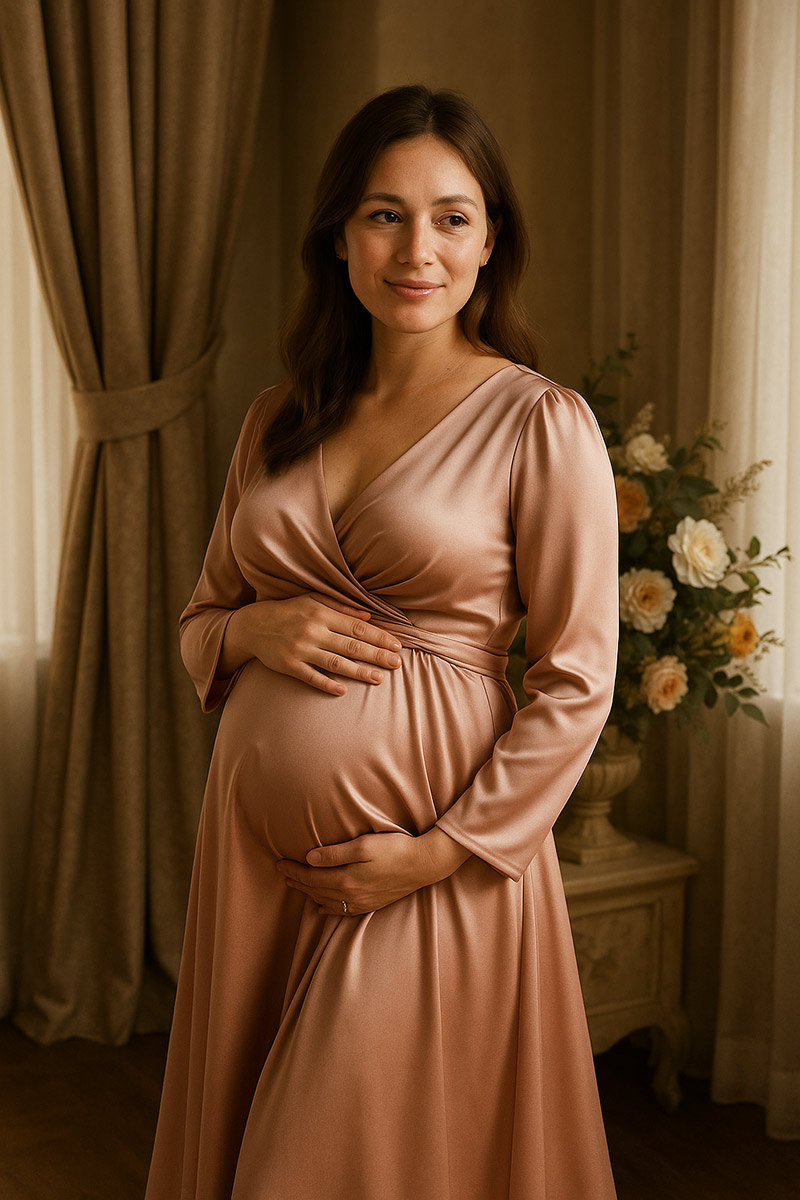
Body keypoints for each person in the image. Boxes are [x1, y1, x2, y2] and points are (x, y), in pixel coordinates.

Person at [145, 84, 619, 1200]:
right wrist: (255, 624)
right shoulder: (276, 416)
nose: (418, 249)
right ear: (339, 239)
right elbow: (198, 626)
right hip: (257, 871)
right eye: (383, 214)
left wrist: (441, 851)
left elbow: (576, 680)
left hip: (428, 865)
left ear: (489, 241)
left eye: (451, 217)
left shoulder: (538, 423)